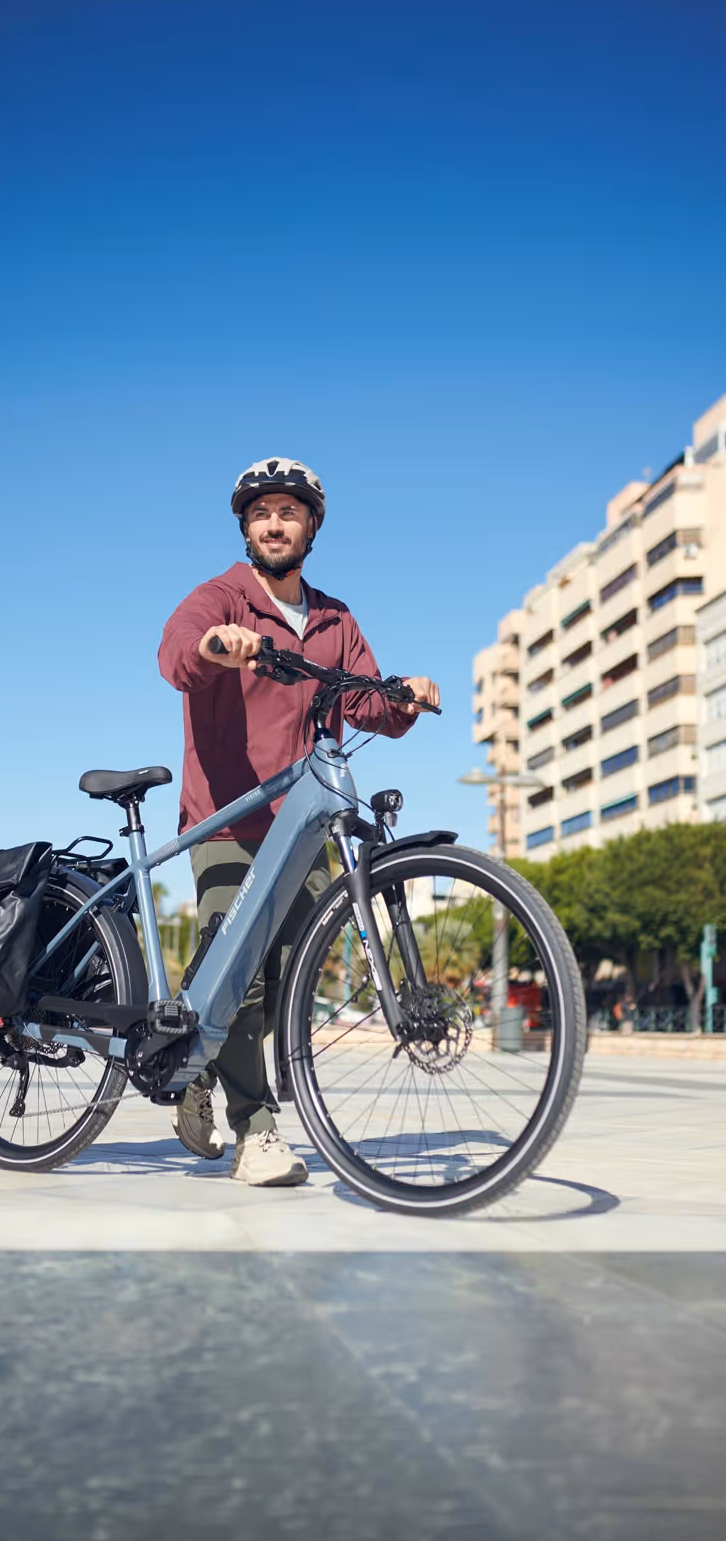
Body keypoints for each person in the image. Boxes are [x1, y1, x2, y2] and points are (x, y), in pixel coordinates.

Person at [157, 456, 440, 1186]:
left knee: (287, 978)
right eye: (261, 513)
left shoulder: (334, 618)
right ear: (246, 527)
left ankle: (194, 1054)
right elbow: (177, 655)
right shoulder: (220, 596)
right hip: (231, 819)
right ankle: (256, 1131)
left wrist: (402, 693)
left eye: (288, 511)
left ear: (311, 525)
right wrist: (215, 645)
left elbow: (367, 702)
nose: (274, 523)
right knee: (241, 975)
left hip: (307, 823)